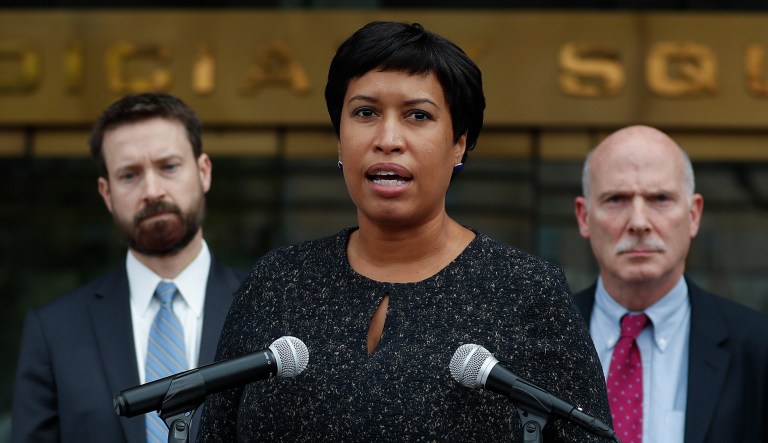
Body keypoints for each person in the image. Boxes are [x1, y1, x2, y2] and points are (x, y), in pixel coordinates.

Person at [197, 21, 612, 442]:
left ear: (458, 144)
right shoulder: (277, 282)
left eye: (418, 115)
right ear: (339, 140)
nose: (388, 139)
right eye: (365, 113)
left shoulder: (527, 291)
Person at [11, 93, 246, 443]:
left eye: (168, 167)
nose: (152, 190)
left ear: (203, 172)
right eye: (130, 175)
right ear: (106, 193)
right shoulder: (54, 330)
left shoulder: (265, 308)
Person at [573, 125, 768, 443]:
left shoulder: (758, 348)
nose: (638, 222)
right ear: (584, 217)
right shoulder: (535, 341)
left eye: (660, 198)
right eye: (616, 199)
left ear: (694, 215)